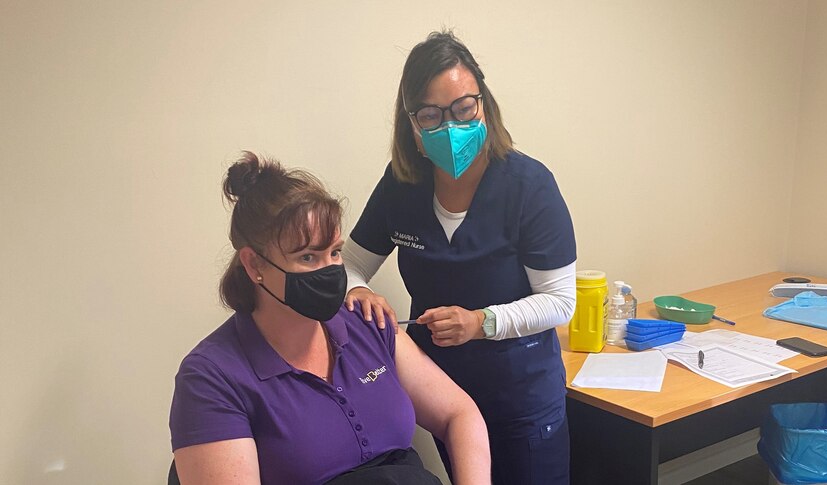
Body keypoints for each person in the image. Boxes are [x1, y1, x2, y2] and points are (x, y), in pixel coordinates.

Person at [169, 152, 491, 485]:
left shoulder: (366, 322)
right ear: (254, 265)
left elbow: (459, 414)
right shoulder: (212, 377)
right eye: (307, 256)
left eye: (334, 252)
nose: (329, 270)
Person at [343, 31, 577, 485]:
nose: (449, 126)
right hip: (446, 399)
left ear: (483, 104)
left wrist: (480, 322)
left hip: (521, 400)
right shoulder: (401, 184)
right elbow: (349, 262)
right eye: (431, 115)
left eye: (463, 109)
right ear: (411, 123)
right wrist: (357, 289)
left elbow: (559, 301)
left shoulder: (528, 186)